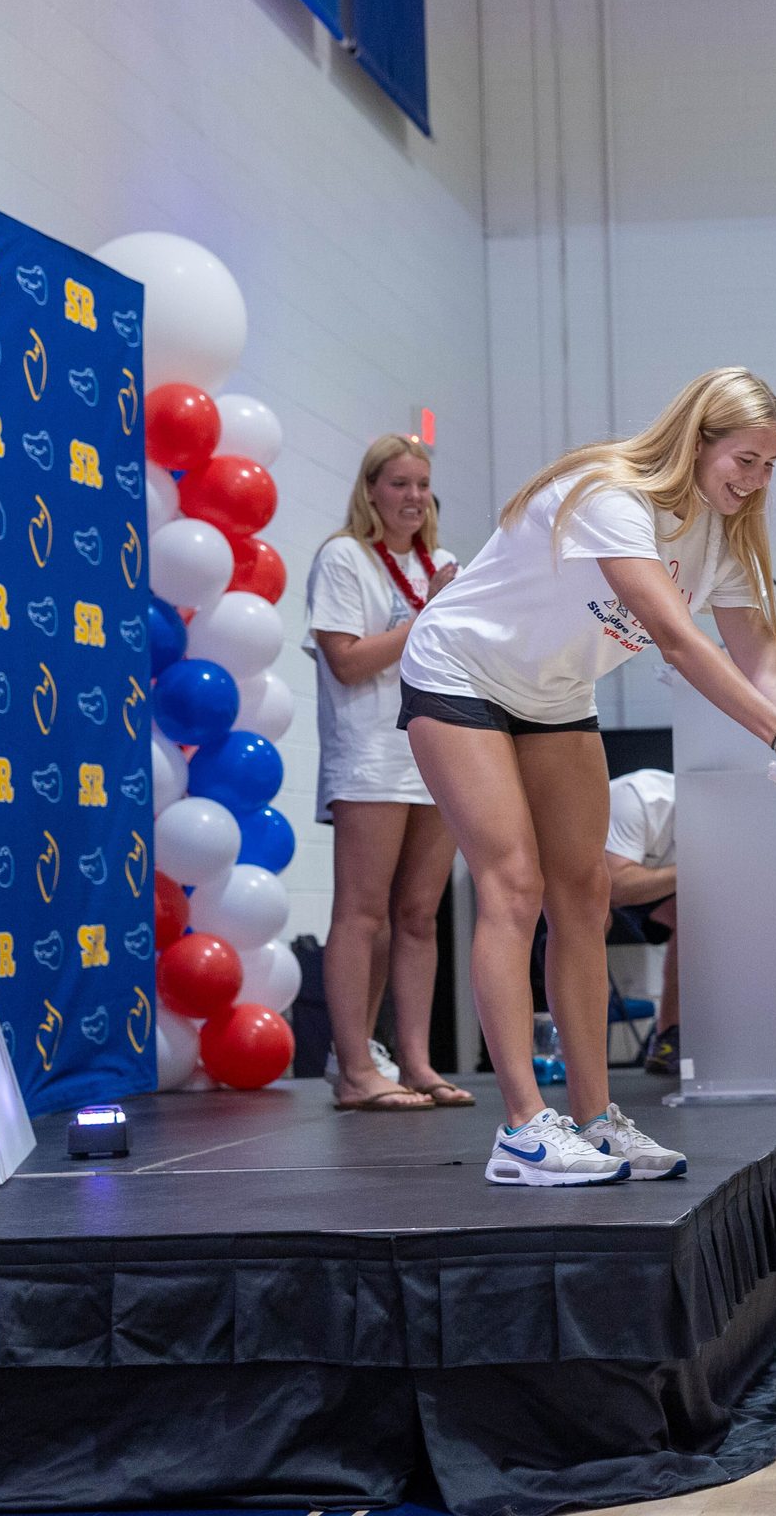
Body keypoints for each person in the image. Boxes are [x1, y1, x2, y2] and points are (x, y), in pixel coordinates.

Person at [399, 367, 776, 1185]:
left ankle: (597, 1119)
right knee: (513, 884)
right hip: (459, 670)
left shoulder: (726, 537)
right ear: (698, 440)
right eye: (744, 459)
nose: (754, 483)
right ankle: (525, 1128)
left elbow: (770, 667)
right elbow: (680, 644)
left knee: (587, 894)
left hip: (555, 693)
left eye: (770, 465)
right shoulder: (610, 495)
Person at [306, 434, 473, 1112]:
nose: (413, 497)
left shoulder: (444, 562)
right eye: (399, 483)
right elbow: (346, 659)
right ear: (371, 489)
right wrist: (431, 611)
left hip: (436, 748)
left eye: (422, 484)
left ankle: (415, 1061)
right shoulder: (344, 557)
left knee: (417, 916)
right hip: (370, 752)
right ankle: (353, 1069)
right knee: (363, 913)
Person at [599, 768, 776, 1075]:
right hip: (592, 873)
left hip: (657, 871)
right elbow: (614, 887)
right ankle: (573, 1060)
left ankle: (671, 1036)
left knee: (709, 919)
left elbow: (755, 930)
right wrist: (706, 863)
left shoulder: (736, 834)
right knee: (587, 925)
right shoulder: (637, 799)